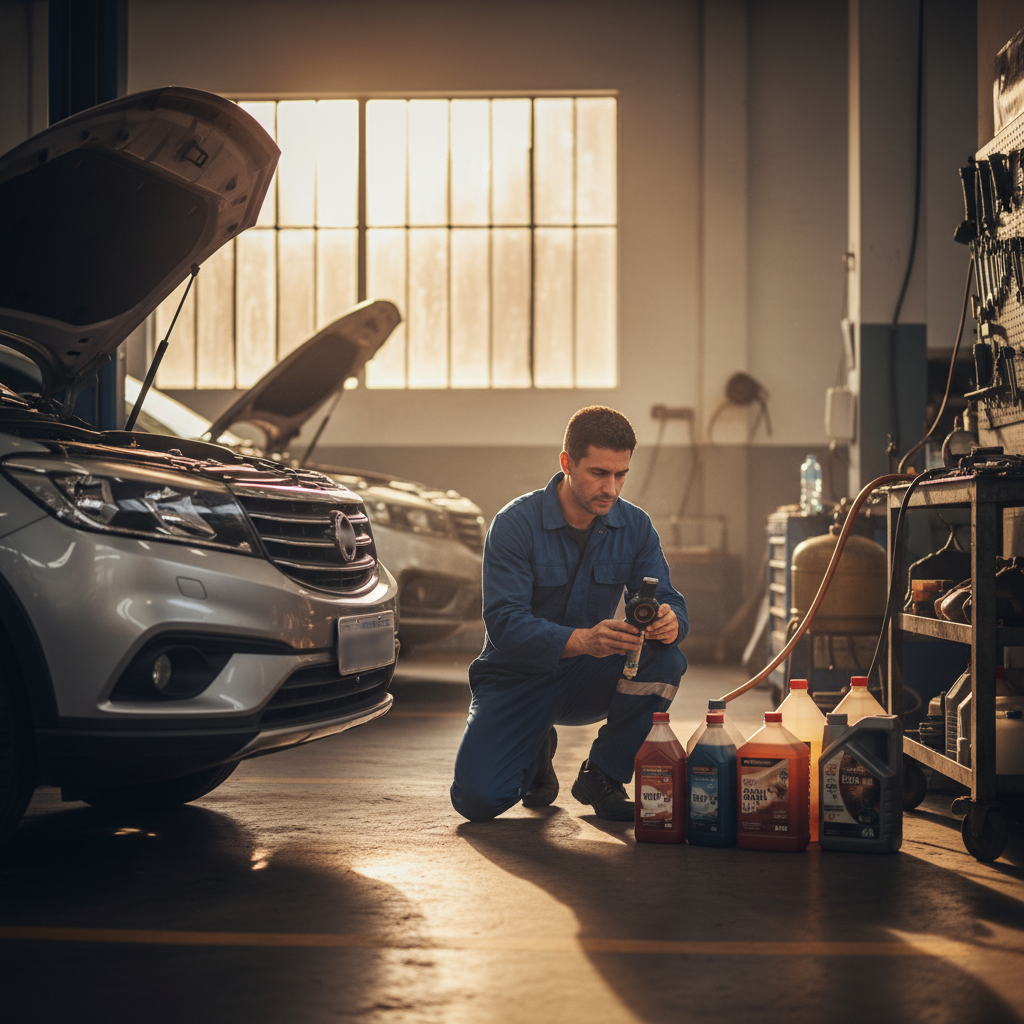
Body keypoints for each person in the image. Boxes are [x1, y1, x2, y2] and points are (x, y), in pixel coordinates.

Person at [450, 406, 688, 822]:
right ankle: (535, 751)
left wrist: (671, 622)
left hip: (585, 676)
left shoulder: (634, 527)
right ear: (566, 463)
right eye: (598, 473)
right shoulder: (514, 525)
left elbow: (668, 597)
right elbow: (505, 622)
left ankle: (603, 774)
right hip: (516, 677)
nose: (611, 488)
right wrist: (582, 640)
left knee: (667, 658)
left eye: (621, 474)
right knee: (479, 801)